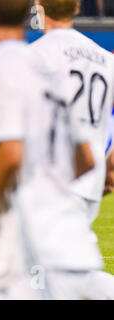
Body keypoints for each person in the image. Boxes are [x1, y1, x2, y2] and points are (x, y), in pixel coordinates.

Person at [0, 0, 110, 299]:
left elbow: (10, 156)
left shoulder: (4, 66)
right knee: (87, 284)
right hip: (70, 228)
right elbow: (85, 158)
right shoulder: (48, 69)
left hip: (29, 238)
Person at [30, 0, 114, 247]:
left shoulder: (36, 56)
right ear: (76, 8)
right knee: (65, 268)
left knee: (42, 267)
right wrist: (110, 162)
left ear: (38, 6)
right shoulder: (104, 59)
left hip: (52, 178)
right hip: (92, 180)